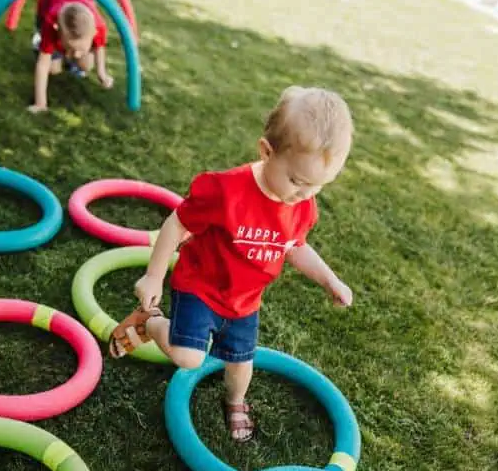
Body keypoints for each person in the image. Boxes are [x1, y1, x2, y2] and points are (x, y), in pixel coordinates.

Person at [109, 86, 354, 442]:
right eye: (299, 182)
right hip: (200, 286)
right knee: (188, 358)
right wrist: (153, 276)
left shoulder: (301, 204)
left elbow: (295, 246)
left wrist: (330, 280)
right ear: (267, 151)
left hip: (244, 302)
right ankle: (151, 323)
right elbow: (177, 223)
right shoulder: (226, 191)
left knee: (242, 361)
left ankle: (236, 402)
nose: (305, 195)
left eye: (318, 187)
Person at [29, 0, 114, 113]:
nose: (77, 54)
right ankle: (40, 42)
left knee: (86, 65)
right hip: (48, 1)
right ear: (58, 31)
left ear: (93, 34)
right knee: (53, 69)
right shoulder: (51, 23)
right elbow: (43, 65)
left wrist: (102, 74)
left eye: (81, 49)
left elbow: (99, 48)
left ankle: (69, 61)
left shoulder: (99, 27)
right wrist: (40, 103)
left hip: (76, 3)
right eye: (70, 48)